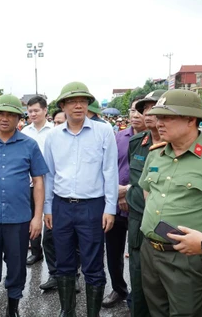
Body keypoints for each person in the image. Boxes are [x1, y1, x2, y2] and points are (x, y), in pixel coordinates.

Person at [139, 89, 202, 316]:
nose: (159, 123)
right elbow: (148, 192)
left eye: (167, 117)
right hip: (151, 252)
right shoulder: (155, 154)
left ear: (191, 119)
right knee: (156, 311)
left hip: (188, 258)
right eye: (157, 117)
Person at [44, 82, 118, 317]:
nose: (78, 105)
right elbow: (49, 174)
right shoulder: (53, 135)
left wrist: (110, 208)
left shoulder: (103, 131)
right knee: (63, 262)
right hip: (61, 205)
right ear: (63, 105)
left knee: (93, 264)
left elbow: (110, 171)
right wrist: (48, 207)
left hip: (92, 207)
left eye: (83, 101)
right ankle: (68, 310)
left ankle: (92, 313)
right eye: (73, 101)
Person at [0, 94, 48, 316]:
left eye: (11, 114)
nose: (5, 118)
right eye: (0, 114)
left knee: (17, 267)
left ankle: (13, 307)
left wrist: (37, 217)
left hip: (19, 218)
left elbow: (38, 182)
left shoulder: (29, 145)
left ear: (19, 118)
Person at [102, 96, 146, 309]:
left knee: (139, 255)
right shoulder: (118, 136)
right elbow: (108, 168)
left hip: (142, 206)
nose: (135, 115)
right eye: (132, 111)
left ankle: (139, 297)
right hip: (116, 204)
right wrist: (116, 195)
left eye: (140, 111)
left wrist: (128, 193)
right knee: (113, 251)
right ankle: (119, 289)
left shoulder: (157, 139)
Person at [126, 89, 165, 317]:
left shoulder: (177, 145)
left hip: (169, 230)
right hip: (138, 224)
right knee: (139, 284)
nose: (148, 114)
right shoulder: (137, 143)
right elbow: (136, 183)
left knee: (167, 291)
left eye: (154, 108)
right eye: (145, 109)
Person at [21, 96, 56, 288]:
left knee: (49, 221)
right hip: (31, 183)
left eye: (36, 110)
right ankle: (35, 251)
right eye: (30, 111)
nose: (32, 114)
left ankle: (57, 267)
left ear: (45, 111)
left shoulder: (55, 131)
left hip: (51, 183)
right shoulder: (25, 132)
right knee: (31, 218)